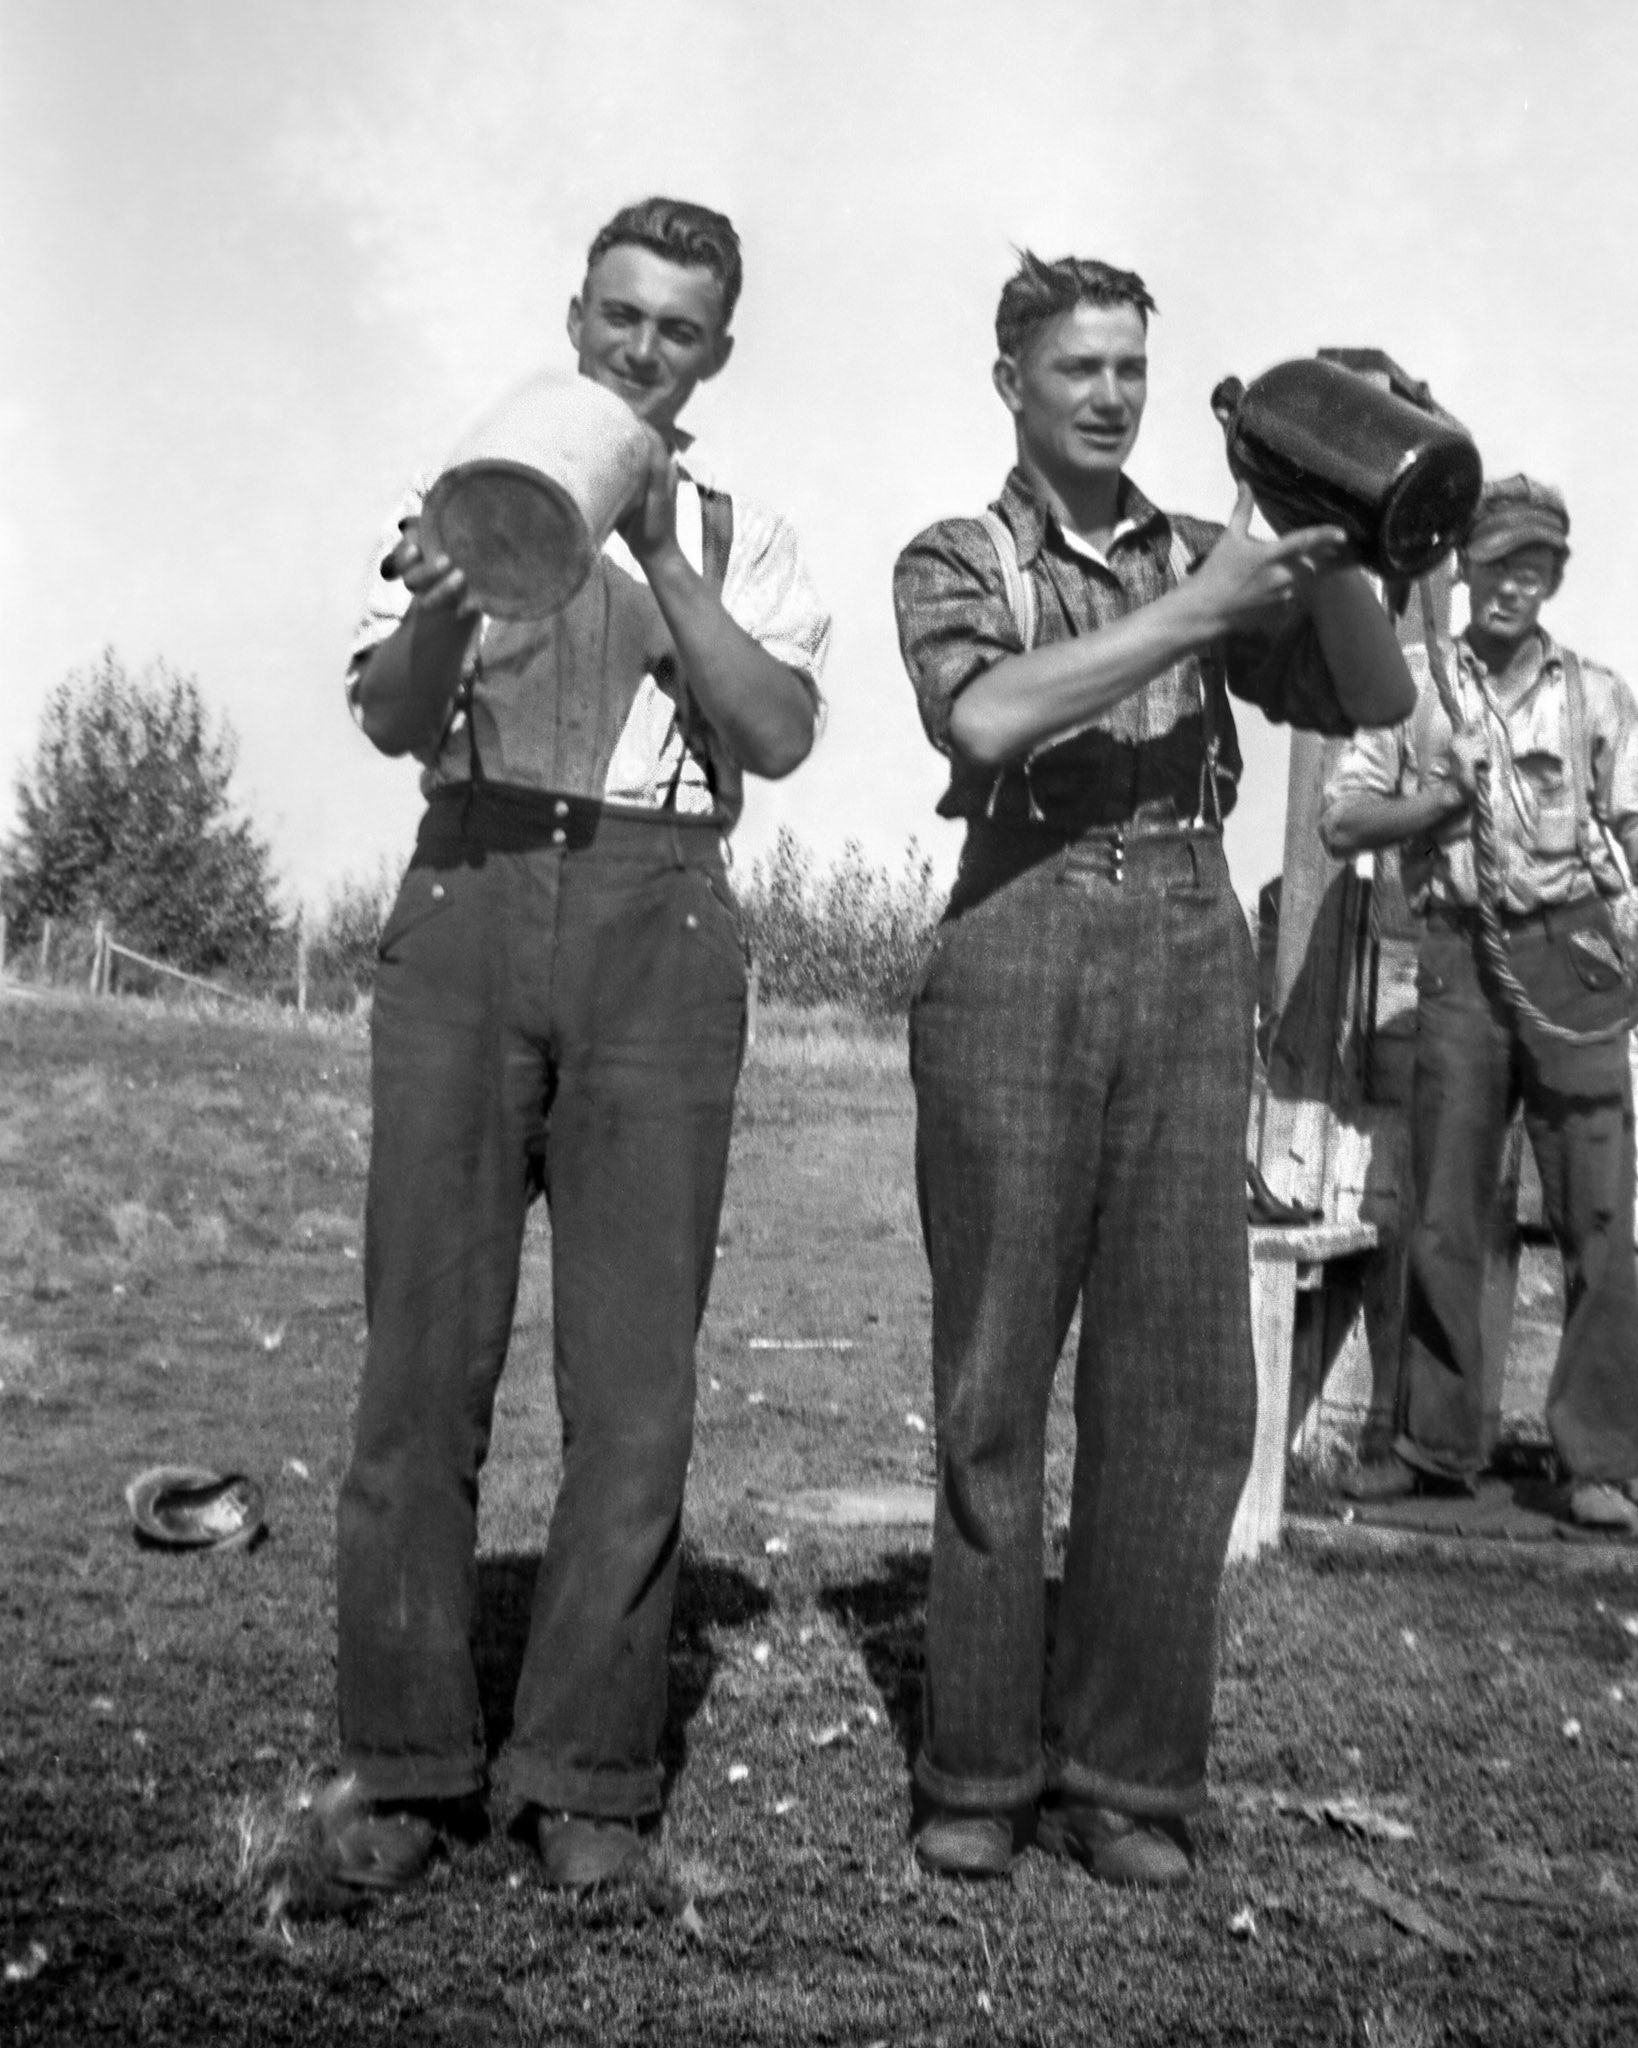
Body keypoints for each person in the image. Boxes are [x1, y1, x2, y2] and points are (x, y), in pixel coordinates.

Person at [891, 251, 1417, 1887]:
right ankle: (978, 1766)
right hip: (1020, 926)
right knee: (992, 1377)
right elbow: (982, 723)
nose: (1109, 393)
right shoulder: (957, 551)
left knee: (1179, 1385)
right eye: (1076, 369)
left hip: (1192, 938)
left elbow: (1374, 688)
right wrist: (1205, 603)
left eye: (1129, 366)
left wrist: (1326, 529)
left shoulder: (1210, 543)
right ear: (1010, 383)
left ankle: (1124, 1776)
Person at [331, 197, 830, 1892]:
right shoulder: (468, 486)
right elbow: (395, 719)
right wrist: (445, 602)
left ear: (716, 354)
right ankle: (406, 1764)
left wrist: (668, 558)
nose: (641, 348)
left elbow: (773, 736)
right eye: (618, 315)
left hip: (658, 918)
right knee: (419, 1357)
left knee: (632, 1387)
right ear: (574, 314)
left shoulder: (744, 526)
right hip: (467, 892)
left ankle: (588, 1779)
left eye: (677, 328)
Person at [1321, 475, 1638, 1531]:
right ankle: (1433, 1448)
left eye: (1534, 563)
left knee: (1600, 1218)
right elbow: (1342, 819)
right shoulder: (1404, 687)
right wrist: (1440, 799)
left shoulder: (1596, 693)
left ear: (1555, 575)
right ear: (1461, 566)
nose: (1513, 582)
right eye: (1495, 560)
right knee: (1445, 1214)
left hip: (1579, 961)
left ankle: (1596, 1459)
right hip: (1458, 958)